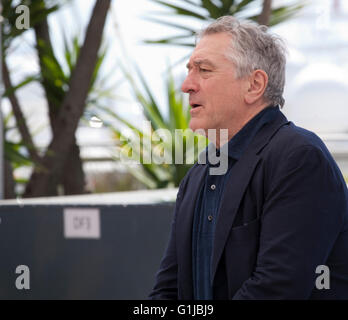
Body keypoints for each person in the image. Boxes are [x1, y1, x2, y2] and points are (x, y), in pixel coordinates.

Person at [149, 16, 348, 300]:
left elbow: (277, 290)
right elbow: (168, 289)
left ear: (254, 85)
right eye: (189, 70)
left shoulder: (299, 159)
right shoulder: (198, 175)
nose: (187, 85)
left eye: (204, 70)